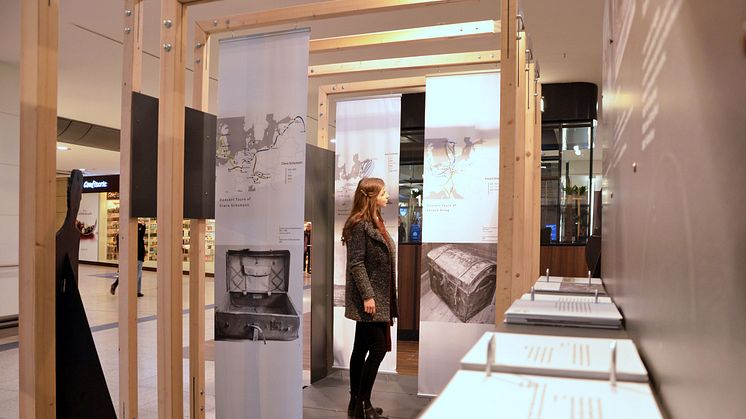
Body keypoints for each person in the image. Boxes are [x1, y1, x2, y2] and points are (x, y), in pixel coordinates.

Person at [342, 177, 398, 419]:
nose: (388, 196)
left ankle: (357, 405)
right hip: (369, 299)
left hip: (378, 296)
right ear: (371, 197)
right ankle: (362, 405)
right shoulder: (359, 224)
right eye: (384, 193)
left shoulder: (376, 222)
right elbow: (356, 263)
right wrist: (368, 295)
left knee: (361, 349)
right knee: (377, 349)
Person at [110, 220, 146, 297]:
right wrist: (142, 225)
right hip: (135, 255)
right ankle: (132, 290)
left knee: (136, 273)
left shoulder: (123, 234)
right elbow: (140, 236)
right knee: (136, 274)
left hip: (132, 255)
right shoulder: (129, 233)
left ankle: (136, 291)